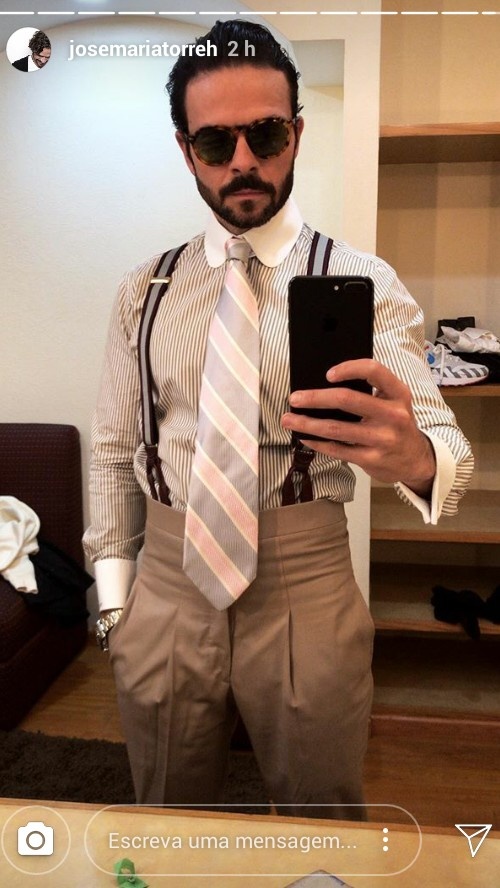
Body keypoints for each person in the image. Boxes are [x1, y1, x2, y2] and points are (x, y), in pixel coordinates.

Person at [83, 20, 473, 820]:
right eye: (214, 142)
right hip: (166, 579)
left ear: (295, 133)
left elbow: (447, 448)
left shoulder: (361, 279)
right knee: (167, 813)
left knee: (320, 815)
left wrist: (415, 457)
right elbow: (116, 450)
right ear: (186, 150)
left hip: (305, 578)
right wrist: (116, 602)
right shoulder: (145, 291)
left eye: (264, 134)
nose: (243, 161)